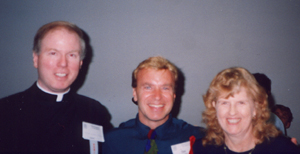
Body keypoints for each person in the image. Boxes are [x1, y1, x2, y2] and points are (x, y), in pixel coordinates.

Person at [0, 21, 113, 153]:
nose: (63, 63)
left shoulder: (94, 111)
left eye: (72, 55)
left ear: (80, 63)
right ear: (36, 59)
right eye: (53, 53)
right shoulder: (6, 111)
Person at [103, 56, 205, 154]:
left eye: (165, 88)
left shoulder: (198, 138)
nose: (157, 96)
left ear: (174, 95)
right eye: (148, 87)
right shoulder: (112, 141)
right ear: (135, 94)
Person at [192, 67, 299, 154]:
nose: (232, 112)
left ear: (256, 108)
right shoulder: (201, 149)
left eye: (241, 103)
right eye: (224, 103)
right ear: (214, 107)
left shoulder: (282, 150)